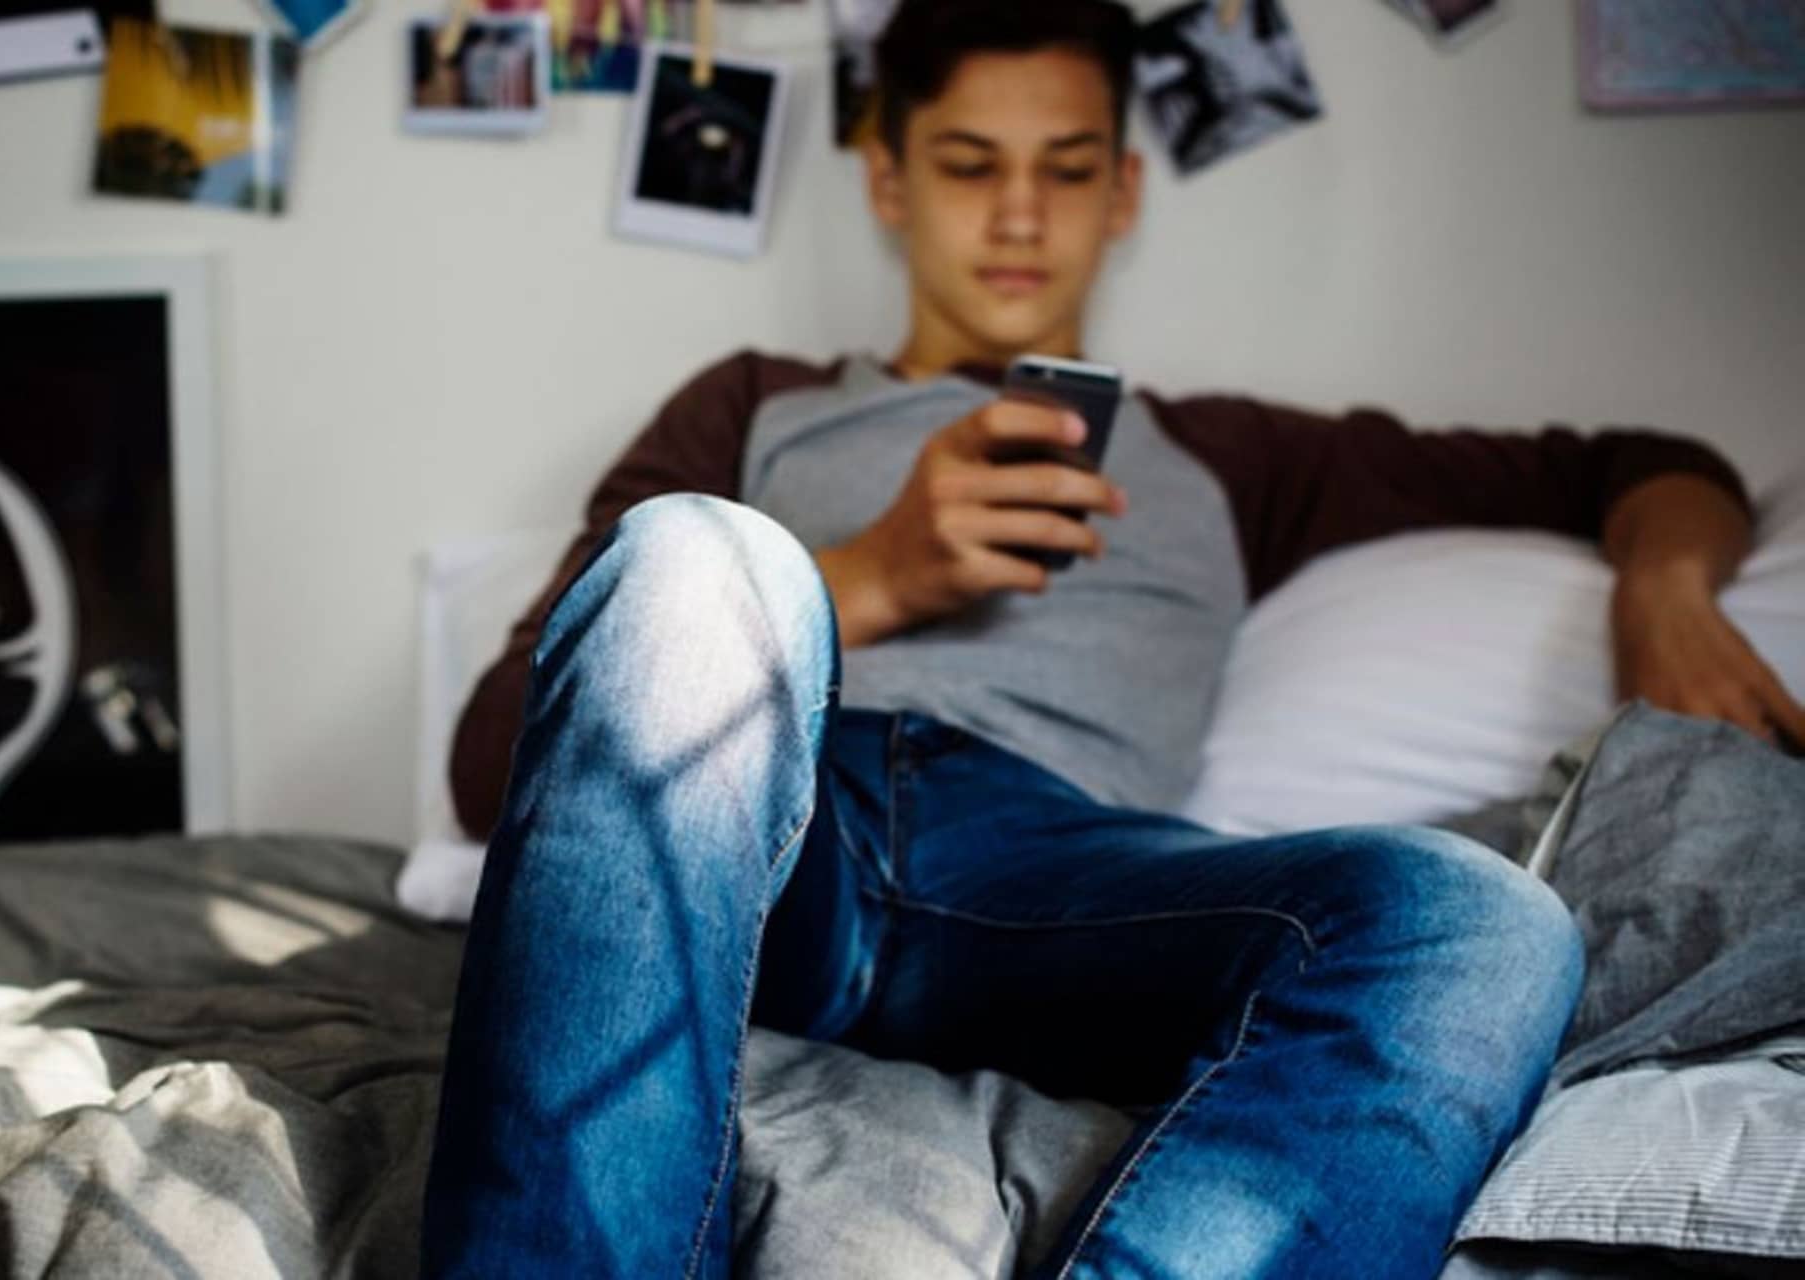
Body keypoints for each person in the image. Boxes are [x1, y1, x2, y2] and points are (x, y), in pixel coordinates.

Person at [420, 2, 1801, 1276]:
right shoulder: (755, 404)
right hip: (772, 841)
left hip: (1062, 880)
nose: (1020, 214)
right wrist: (874, 575)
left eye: (1068, 168)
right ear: (890, 183)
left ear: (1123, 190)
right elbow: (504, 762)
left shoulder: (1232, 457)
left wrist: (1665, 600)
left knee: (1486, 921)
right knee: (691, 555)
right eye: (969, 164)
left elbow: (1643, 461)